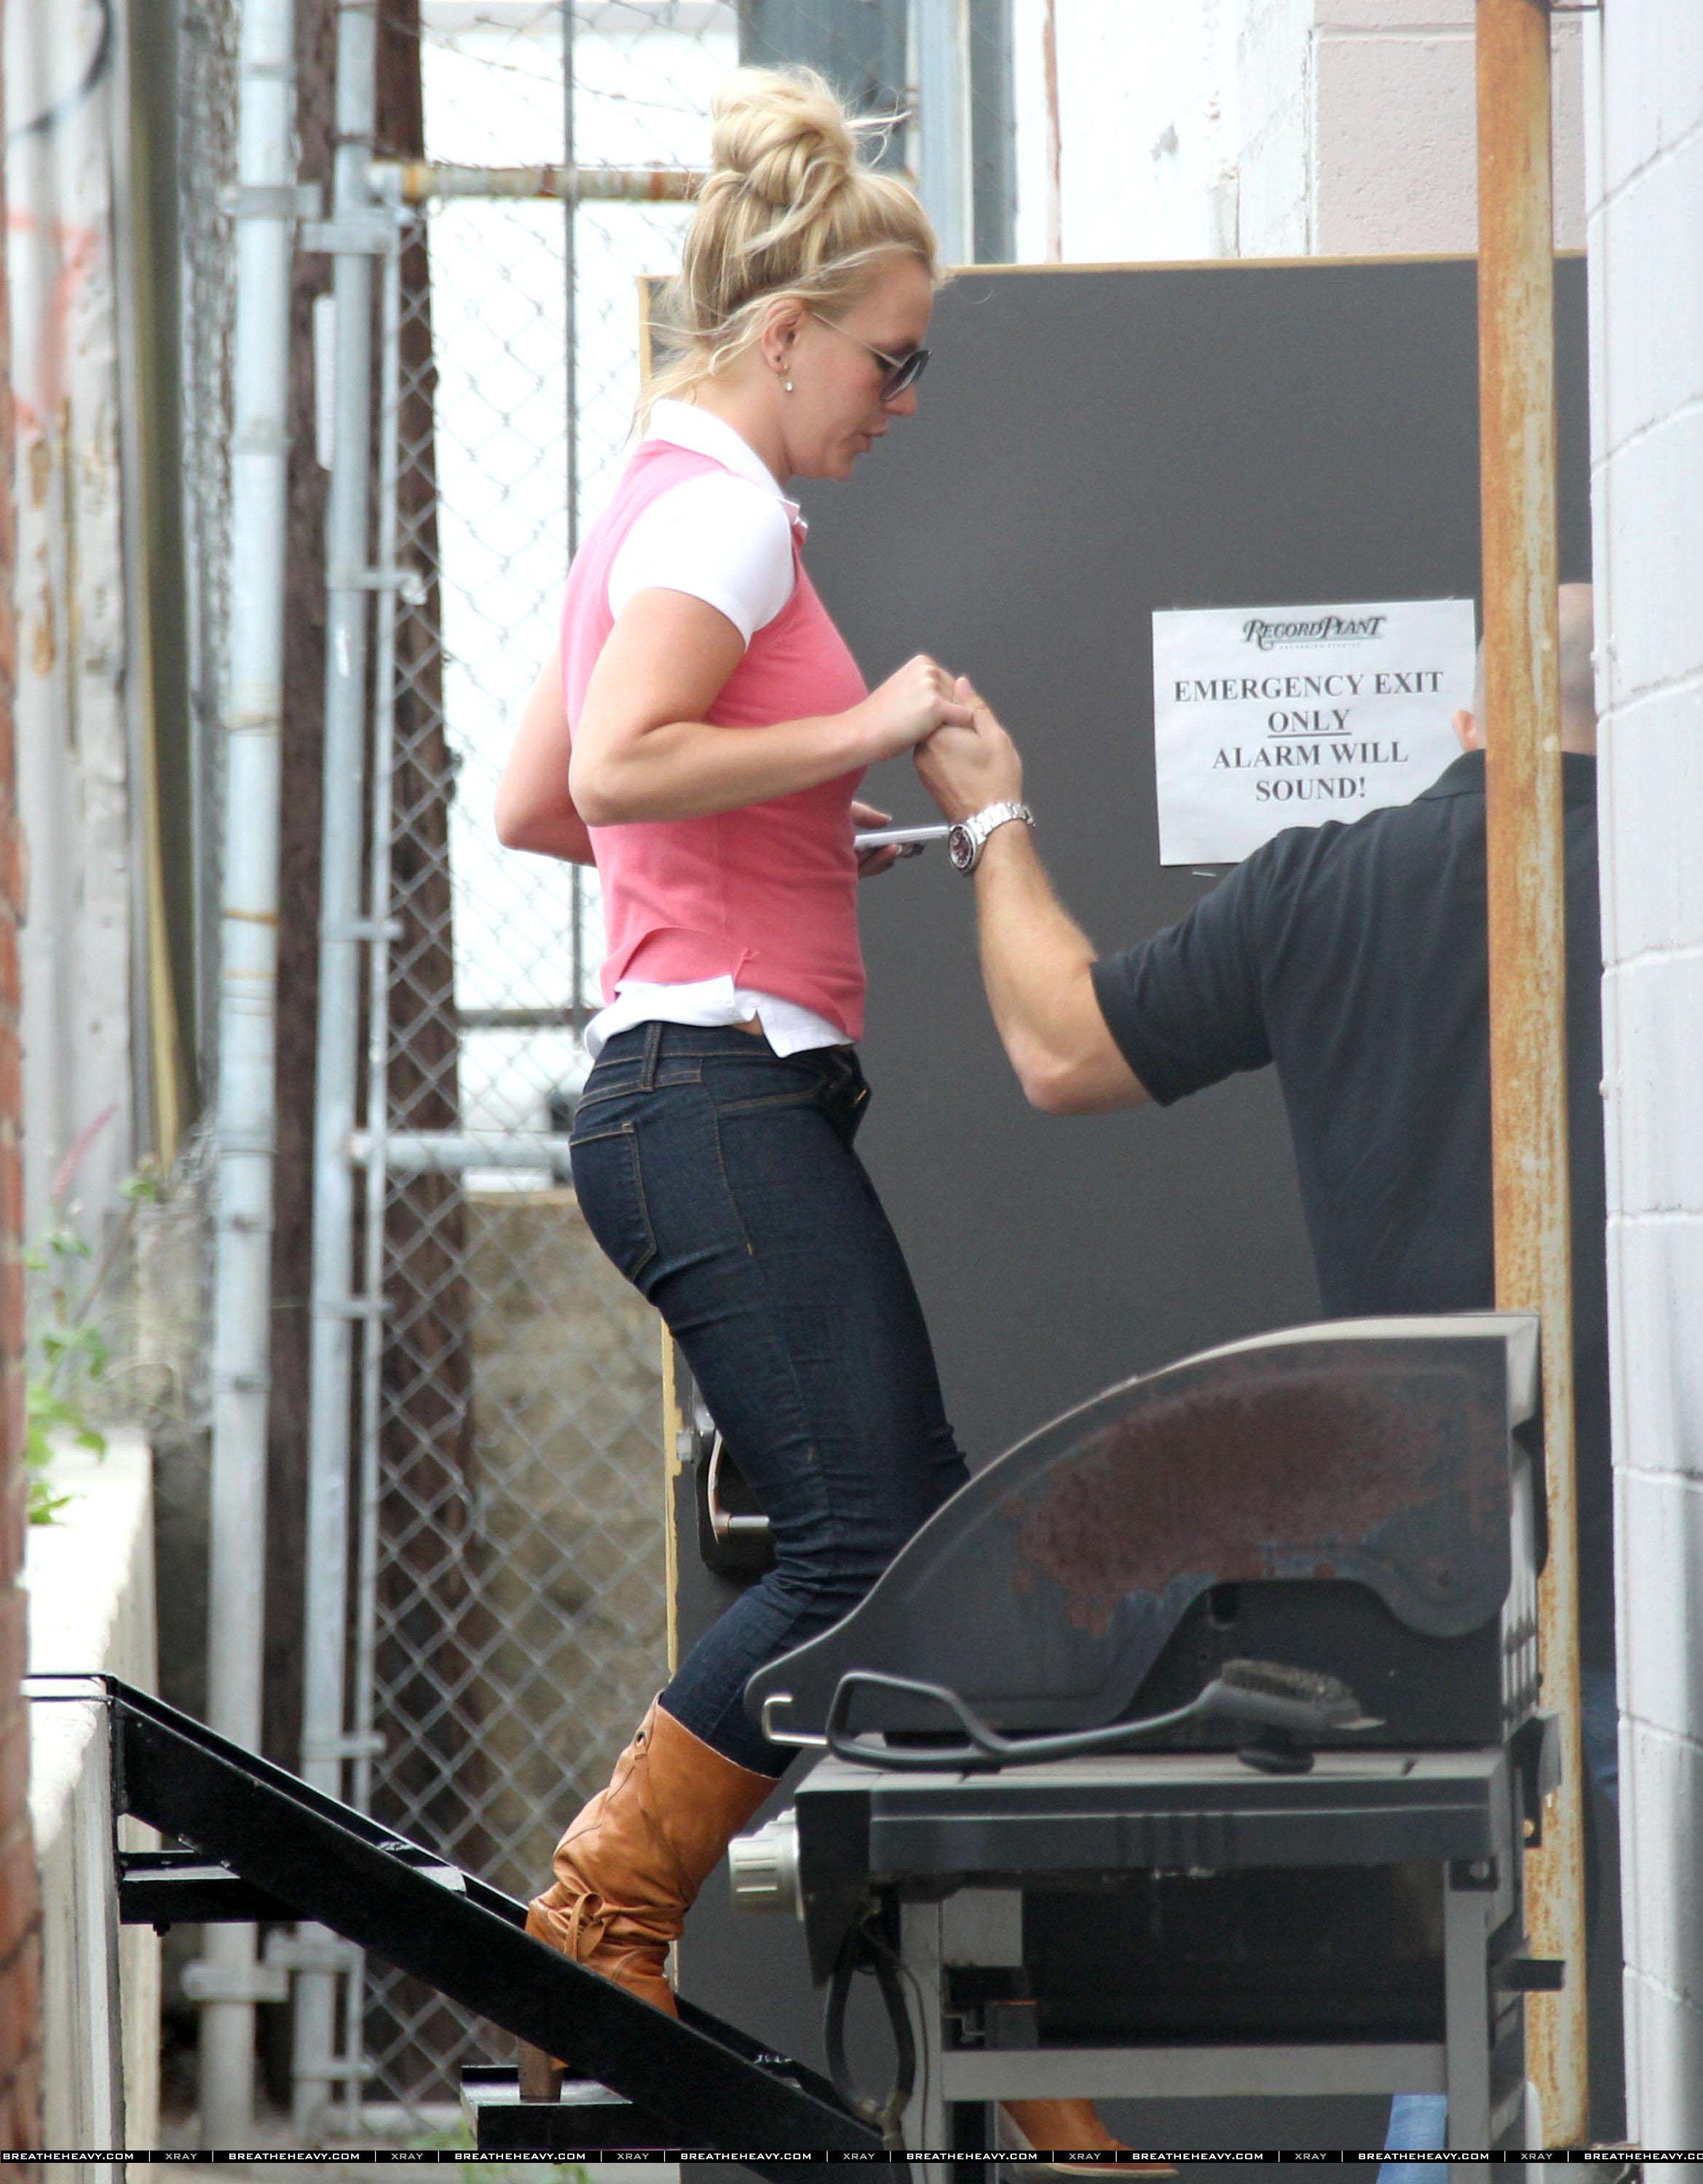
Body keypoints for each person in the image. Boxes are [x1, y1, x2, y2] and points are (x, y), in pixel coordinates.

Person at [494, 66, 1131, 2161]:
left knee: (903, 1548)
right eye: (889, 359)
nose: (904, 400)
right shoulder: (730, 516)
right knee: (874, 1549)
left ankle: (1032, 2089)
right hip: (711, 1089)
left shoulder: (645, 492)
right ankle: (600, 1909)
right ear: (785, 337)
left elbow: (538, 801)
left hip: (686, 1089)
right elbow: (610, 767)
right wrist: (869, 721)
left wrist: (795, 826)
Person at [911, 584, 1616, 2154]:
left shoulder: (1324, 888)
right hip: (1659, 1556)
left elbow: (1060, 1046)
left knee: (1474, 1981)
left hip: (1440, 1586)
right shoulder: (1662, 882)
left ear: (1464, 717)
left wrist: (993, 820)